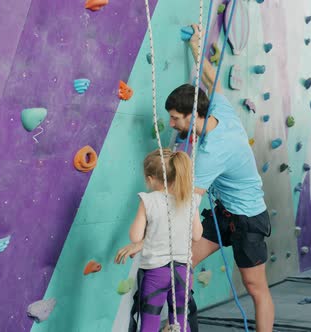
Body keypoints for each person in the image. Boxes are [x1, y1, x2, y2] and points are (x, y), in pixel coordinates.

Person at [120, 24, 275, 331]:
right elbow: (209, 77)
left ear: (192, 115)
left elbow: (185, 208)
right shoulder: (218, 108)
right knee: (182, 264)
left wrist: (147, 243)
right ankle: (182, 325)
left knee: (255, 287)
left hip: (247, 218)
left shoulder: (210, 155)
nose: (172, 123)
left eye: (175, 118)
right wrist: (195, 45)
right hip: (225, 213)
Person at [115, 149, 203, 332]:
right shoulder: (190, 199)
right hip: (183, 272)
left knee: (150, 322)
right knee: (180, 320)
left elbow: (135, 237)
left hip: (156, 272)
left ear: (149, 179)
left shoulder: (148, 200)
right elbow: (197, 235)